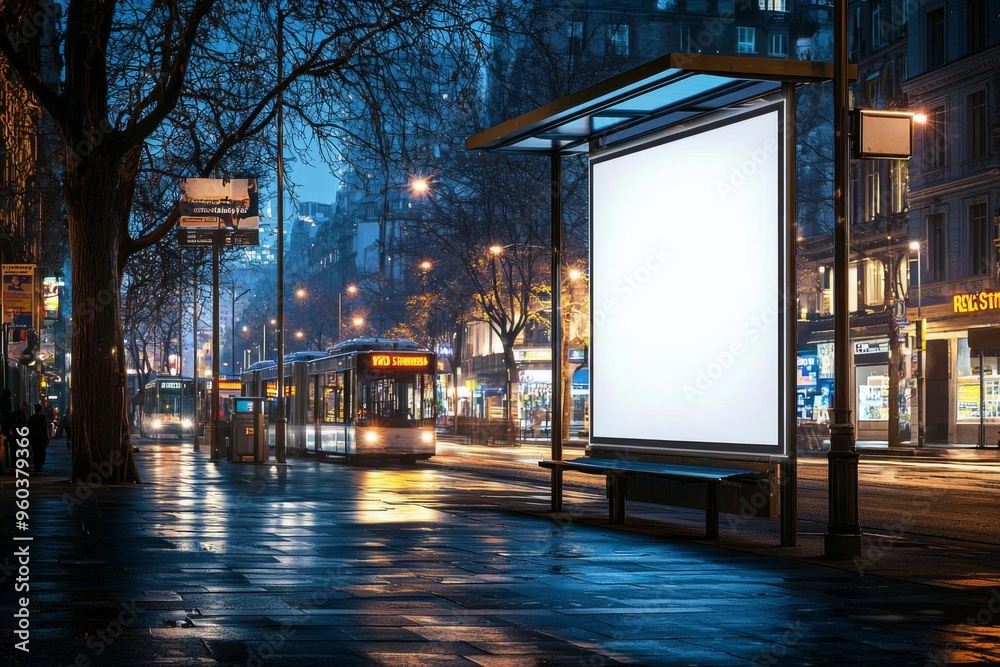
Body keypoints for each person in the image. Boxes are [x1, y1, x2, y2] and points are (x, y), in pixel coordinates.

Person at [26, 403, 50, 473]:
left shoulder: (31, 418)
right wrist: (47, 437)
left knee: (35, 452)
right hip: (41, 437)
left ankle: (36, 465)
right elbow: (45, 428)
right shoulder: (43, 418)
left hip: (34, 437)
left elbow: (29, 428)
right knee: (42, 452)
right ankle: (39, 465)